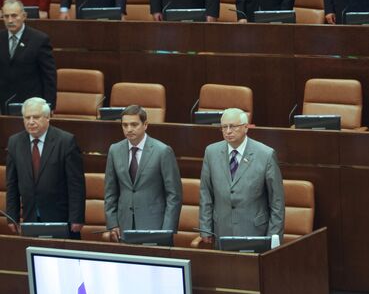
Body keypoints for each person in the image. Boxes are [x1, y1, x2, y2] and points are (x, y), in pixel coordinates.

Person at [199, 108, 285, 247]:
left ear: (246, 127)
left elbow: (277, 201)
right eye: (223, 127)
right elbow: (206, 193)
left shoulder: (265, 155)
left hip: (255, 232)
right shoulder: (211, 152)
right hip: (221, 230)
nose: (228, 131)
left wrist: (273, 238)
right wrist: (205, 228)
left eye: (232, 126)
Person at [6, 97, 86, 239]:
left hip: (60, 217)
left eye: (35, 117)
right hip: (30, 216)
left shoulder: (66, 141)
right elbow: (12, 184)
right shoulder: (15, 142)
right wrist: (12, 216)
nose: (31, 122)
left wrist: (77, 217)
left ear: (47, 117)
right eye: (27, 117)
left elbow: (76, 184)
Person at [104, 105, 182, 241]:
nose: (129, 129)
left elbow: (174, 195)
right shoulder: (114, 150)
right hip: (124, 225)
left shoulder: (162, 151)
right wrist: (112, 223)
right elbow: (110, 192)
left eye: (134, 124)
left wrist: (166, 231)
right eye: (125, 125)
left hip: (155, 226)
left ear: (145, 125)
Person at [0, 0, 56, 113]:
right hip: (4, 103)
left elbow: (49, 76)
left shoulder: (39, 40)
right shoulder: (0, 38)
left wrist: (50, 105)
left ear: (24, 16)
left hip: (31, 105)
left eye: (14, 16)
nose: (10, 20)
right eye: (6, 16)